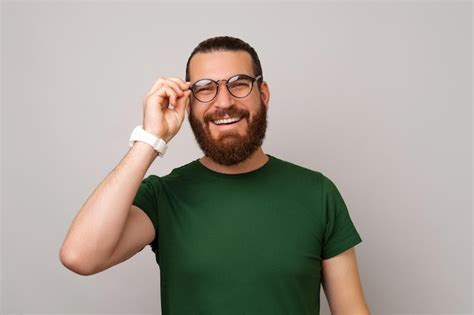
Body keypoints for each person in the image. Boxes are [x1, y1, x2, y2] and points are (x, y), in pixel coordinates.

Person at [60, 36, 370, 315]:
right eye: (205, 88)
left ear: (263, 93)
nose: (223, 102)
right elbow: (80, 256)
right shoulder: (163, 196)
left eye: (238, 83)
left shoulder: (317, 193)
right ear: (189, 103)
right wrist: (150, 139)